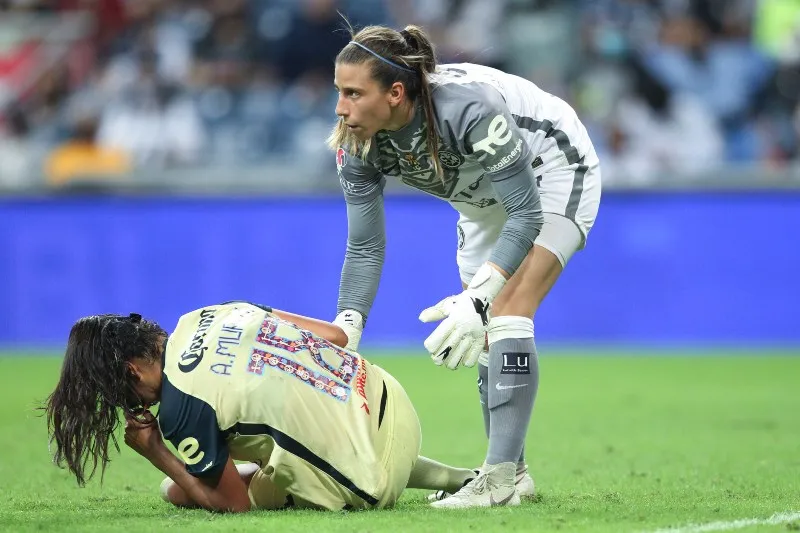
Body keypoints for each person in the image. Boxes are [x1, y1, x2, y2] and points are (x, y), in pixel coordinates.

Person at [329, 24, 602, 508]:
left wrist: (478, 298)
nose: (340, 107)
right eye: (339, 92)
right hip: (479, 202)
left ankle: (495, 479)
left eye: (353, 93)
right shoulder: (356, 141)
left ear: (395, 93)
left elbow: (527, 212)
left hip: (551, 169)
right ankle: (514, 475)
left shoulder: (469, 108)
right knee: (481, 335)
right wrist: (347, 329)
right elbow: (365, 246)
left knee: (506, 310)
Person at [44, 301, 476, 512]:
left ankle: (397, 474)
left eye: (120, 391)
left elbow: (234, 507)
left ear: (132, 371)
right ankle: (458, 478)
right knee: (313, 425)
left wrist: (157, 451)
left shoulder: (179, 408)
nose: (129, 403)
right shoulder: (210, 312)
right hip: (392, 400)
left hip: (370, 482)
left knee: (175, 491)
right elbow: (336, 337)